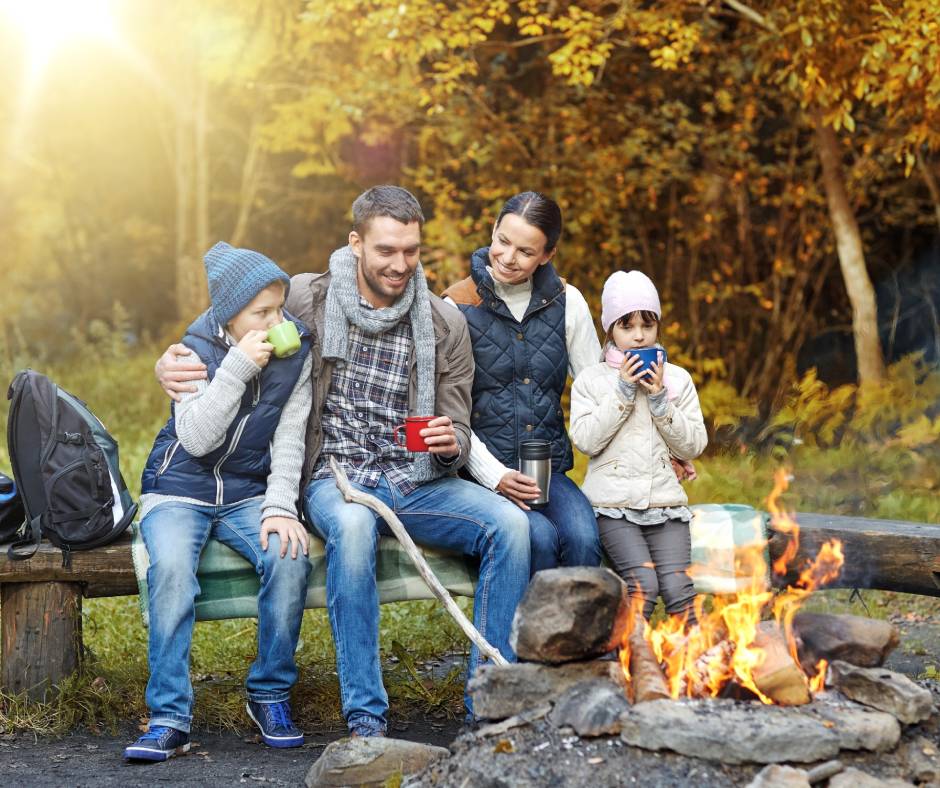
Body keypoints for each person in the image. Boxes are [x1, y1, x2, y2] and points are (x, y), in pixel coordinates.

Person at [156, 186, 530, 739]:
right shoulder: (309, 297)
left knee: (512, 526)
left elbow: (457, 419)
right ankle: (366, 717)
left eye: (411, 250)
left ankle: (490, 705)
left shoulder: (443, 324)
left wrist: (451, 442)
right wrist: (173, 359)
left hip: (414, 477)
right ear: (356, 243)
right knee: (353, 527)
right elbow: (231, 311)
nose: (399, 264)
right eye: (385, 250)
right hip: (334, 475)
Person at [125, 242, 313, 762]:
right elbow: (198, 439)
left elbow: (291, 436)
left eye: (280, 308)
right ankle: (169, 717)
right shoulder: (191, 353)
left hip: (248, 493)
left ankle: (269, 693)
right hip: (178, 490)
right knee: (170, 573)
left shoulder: (296, 352)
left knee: (288, 555)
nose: (278, 320)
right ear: (229, 316)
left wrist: (280, 506)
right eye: (263, 313)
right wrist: (235, 369)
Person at [442, 191, 603, 575]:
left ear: (547, 255)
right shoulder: (456, 307)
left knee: (583, 538)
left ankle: (579, 635)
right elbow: (450, 412)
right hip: (482, 475)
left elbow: (598, 390)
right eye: (503, 241)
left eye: (525, 252)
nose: (508, 258)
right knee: (539, 540)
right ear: (493, 231)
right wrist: (495, 477)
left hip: (548, 471)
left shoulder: (568, 301)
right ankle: (531, 635)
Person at [569, 270, 707, 625]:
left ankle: (697, 673)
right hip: (611, 507)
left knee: (679, 590)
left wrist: (661, 400)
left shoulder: (676, 380)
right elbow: (585, 440)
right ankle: (630, 668)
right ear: (610, 330)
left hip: (665, 505)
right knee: (642, 585)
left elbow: (694, 443)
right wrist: (623, 392)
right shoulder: (592, 381)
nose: (639, 335)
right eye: (626, 326)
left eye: (648, 325)